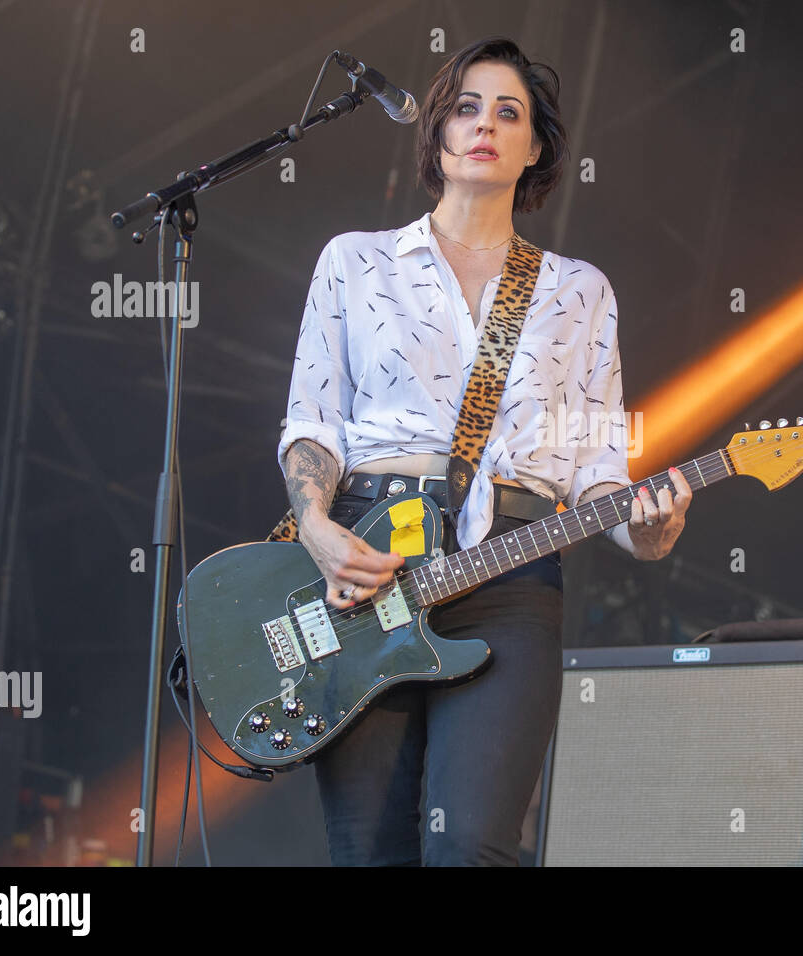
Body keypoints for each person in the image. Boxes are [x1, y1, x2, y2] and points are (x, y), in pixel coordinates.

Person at [276, 36, 690, 866]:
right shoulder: (356, 263)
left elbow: (597, 468)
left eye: (510, 112)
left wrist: (650, 526)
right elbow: (313, 420)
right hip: (365, 567)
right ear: (435, 132)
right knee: (368, 848)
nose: (485, 125)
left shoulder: (578, 289)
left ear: (535, 147)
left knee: (472, 843)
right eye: (466, 107)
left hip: (510, 575)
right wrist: (315, 523)